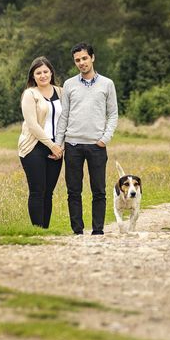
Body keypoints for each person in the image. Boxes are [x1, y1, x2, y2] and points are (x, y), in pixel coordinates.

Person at [55, 42, 118, 235]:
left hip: (96, 146)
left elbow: (113, 114)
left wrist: (104, 139)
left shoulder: (107, 84)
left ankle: (98, 231)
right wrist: (59, 144)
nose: (81, 63)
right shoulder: (69, 85)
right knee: (73, 191)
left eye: (84, 58)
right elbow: (64, 115)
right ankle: (77, 231)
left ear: (92, 58)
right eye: (77, 60)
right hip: (73, 144)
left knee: (98, 190)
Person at [18, 57, 64, 228]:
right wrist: (51, 145)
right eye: (38, 73)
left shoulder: (61, 92)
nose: (43, 75)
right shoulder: (30, 94)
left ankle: (45, 230)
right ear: (33, 76)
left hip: (57, 147)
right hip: (34, 147)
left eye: (45, 71)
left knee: (48, 193)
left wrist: (60, 146)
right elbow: (32, 125)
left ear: (51, 72)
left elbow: (66, 121)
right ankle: (37, 232)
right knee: (38, 191)